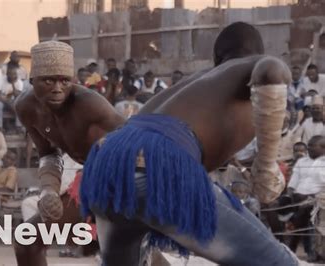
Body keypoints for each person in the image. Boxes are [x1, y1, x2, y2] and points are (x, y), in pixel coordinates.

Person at [80, 22, 298, 265]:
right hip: (155, 162)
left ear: (216, 57)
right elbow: (273, 71)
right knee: (278, 262)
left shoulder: (195, 84)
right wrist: (267, 164)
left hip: (105, 164)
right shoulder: (249, 65)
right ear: (257, 51)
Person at [14, 41, 125, 266]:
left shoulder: (91, 105)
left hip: (127, 182)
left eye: (64, 80)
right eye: (49, 80)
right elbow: (48, 154)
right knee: (26, 240)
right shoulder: (25, 107)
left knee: (123, 251)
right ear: (32, 80)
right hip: (89, 183)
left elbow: (135, 144)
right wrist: (48, 191)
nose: (57, 88)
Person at [286, 135, 325, 262]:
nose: (309, 148)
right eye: (309, 145)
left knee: (304, 211)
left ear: (323, 148)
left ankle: (295, 249)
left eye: (313, 145)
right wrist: (289, 196)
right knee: (273, 205)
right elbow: (292, 183)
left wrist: (311, 197)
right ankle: (289, 247)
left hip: (318, 200)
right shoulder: (302, 161)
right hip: (298, 198)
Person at [0, 65, 24, 130]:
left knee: (19, 105)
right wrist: (7, 101)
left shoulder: (19, 82)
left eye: (14, 74)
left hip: (12, 101)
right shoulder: (0, 80)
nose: (12, 75)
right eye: (10, 73)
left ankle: (18, 127)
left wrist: (13, 84)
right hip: (2, 101)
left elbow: (18, 96)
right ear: (7, 74)